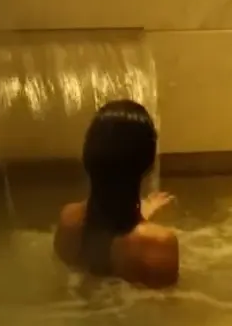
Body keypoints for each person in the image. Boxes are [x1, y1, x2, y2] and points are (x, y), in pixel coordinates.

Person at [53, 100, 179, 288]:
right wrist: (140, 223)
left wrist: (140, 216)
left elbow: (104, 246)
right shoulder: (159, 244)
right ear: (148, 163)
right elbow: (167, 306)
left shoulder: (68, 220)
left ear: (88, 157)